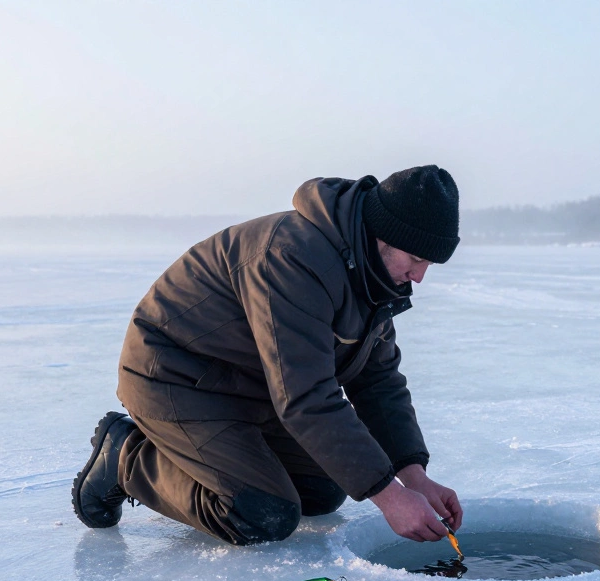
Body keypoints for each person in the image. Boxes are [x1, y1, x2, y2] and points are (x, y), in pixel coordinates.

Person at [71, 166, 463, 546]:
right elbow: (306, 396)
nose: (419, 276)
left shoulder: (370, 274)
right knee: (260, 513)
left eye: (429, 264)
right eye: (416, 259)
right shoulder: (293, 257)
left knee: (322, 489)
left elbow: (377, 381)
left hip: (245, 386)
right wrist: (391, 498)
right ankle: (128, 457)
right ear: (383, 235)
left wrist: (414, 477)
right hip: (174, 377)